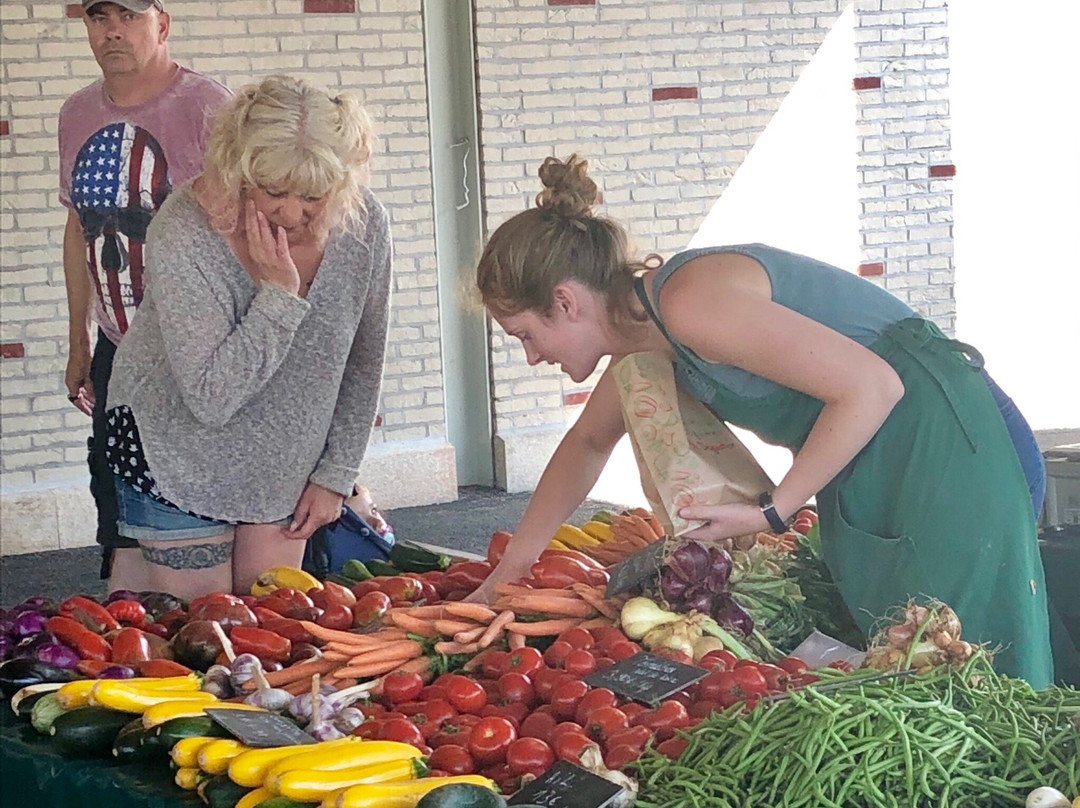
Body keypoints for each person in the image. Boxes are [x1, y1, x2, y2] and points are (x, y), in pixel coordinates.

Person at [472, 154, 1055, 687]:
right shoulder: (642, 334)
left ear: (567, 302)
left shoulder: (688, 305)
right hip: (882, 459)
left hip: (947, 448)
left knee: (976, 673)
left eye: (526, 334)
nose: (531, 355)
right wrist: (513, 567)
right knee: (911, 662)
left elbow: (873, 386)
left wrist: (774, 509)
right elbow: (588, 444)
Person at [104, 75, 392, 600]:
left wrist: (336, 473)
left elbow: (363, 360)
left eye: (313, 195)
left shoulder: (365, 226)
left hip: (285, 458)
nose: (291, 212)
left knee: (272, 635)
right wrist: (279, 298)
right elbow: (211, 398)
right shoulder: (186, 230)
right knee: (199, 637)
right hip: (175, 452)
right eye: (273, 191)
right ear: (239, 167)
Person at [58, 0, 231, 591]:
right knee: (115, 491)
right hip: (117, 344)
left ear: (163, 23)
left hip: (197, 347)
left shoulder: (209, 108)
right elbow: (80, 228)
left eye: (128, 15)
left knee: (199, 495)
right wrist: (79, 338)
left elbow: (247, 229)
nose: (112, 31)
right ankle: (130, 630)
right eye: (98, 16)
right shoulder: (77, 113)